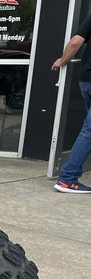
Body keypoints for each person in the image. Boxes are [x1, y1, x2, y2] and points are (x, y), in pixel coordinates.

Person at [51, 13, 91, 193]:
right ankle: (67, 178)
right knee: (89, 130)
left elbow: (76, 42)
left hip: (86, 80)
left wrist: (62, 60)